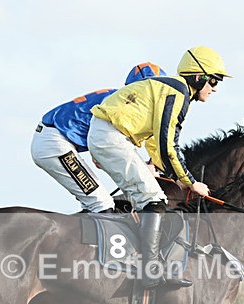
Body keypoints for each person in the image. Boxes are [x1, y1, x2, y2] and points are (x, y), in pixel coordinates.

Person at [87, 46, 231, 288]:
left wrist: (174, 175)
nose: (215, 88)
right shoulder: (178, 92)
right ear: (199, 76)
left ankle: (134, 258)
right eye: (214, 81)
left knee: (149, 196)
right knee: (154, 200)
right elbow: (168, 145)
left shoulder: (173, 90)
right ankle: (150, 271)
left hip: (109, 135)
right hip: (111, 136)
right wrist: (190, 181)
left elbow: (156, 142)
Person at [31, 63, 167, 213]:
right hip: (54, 142)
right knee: (101, 203)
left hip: (56, 139)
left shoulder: (120, 100)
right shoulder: (121, 106)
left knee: (103, 201)